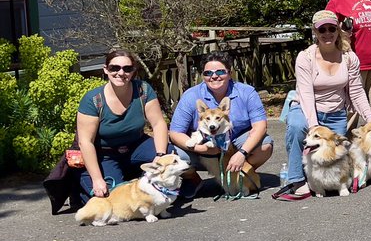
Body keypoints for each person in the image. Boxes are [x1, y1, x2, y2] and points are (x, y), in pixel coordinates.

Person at [274, 10, 371, 201]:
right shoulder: (306, 57)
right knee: (297, 128)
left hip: (335, 112)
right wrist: (313, 127)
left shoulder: (349, 57)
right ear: (315, 31)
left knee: (334, 157)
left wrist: (370, 119)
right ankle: (296, 179)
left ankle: (337, 176)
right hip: (305, 108)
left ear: (338, 30)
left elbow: (356, 91)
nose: (327, 33)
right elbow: (305, 93)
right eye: (322, 30)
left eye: (331, 28)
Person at [75, 49, 174, 203]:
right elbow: (85, 142)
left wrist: (160, 156)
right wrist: (97, 179)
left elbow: (158, 123)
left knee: (172, 156)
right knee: (114, 199)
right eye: (115, 68)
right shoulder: (93, 100)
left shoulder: (143, 90)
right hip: (106, 154)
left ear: (133, 71)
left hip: (136, 146)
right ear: (106, 69)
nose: (121, 73)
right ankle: (83, 189)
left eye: (127, 69)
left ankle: (153, 185)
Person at [168, 52, 273, 194]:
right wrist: (201, 149)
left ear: (229, 73)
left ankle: (238, 174)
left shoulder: (246, 92)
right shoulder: (191, 96)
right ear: (202, 76)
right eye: (208, 73)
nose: (214, 76)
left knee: (265, 145)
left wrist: (241, 153)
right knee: (171, 153)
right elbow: (175, 133)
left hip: (234, 143)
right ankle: (192, 179)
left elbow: (260, 126)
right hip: (201, 146)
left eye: (220, 71)